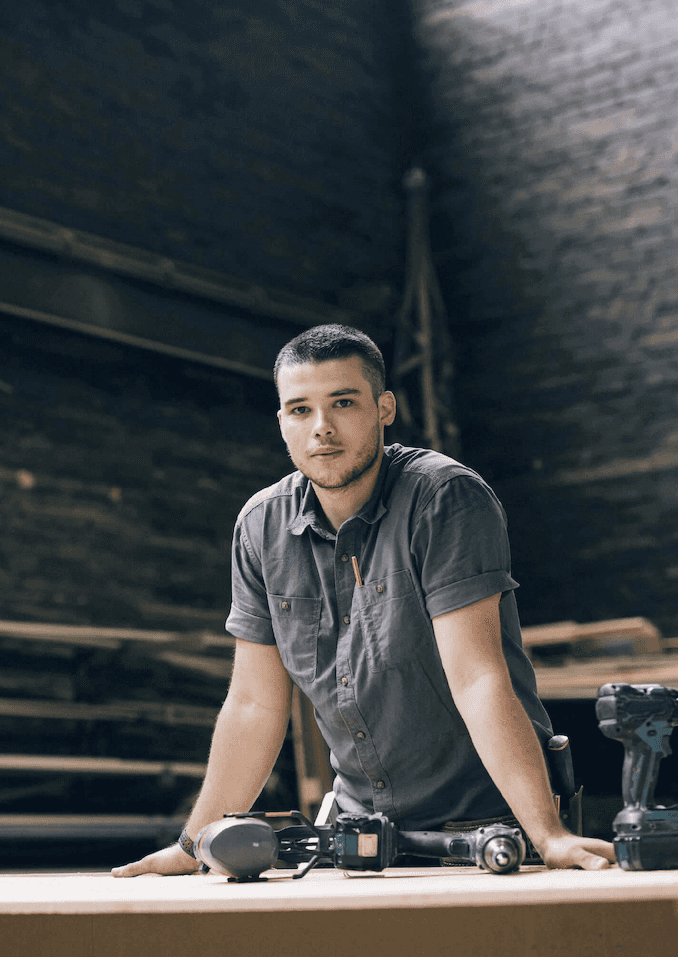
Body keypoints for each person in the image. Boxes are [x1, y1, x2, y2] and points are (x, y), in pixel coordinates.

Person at [113, 324, 614, 877]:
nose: (322, 429)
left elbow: (478, 676)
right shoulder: (261, 527)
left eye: (343, 403)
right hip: (360, 840)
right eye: (300, 410)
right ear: (281, 422)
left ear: (384, 408)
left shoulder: (445, 498)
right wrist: (193, 847)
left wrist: (549, 835)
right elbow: (254, 705)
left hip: (492, 833)